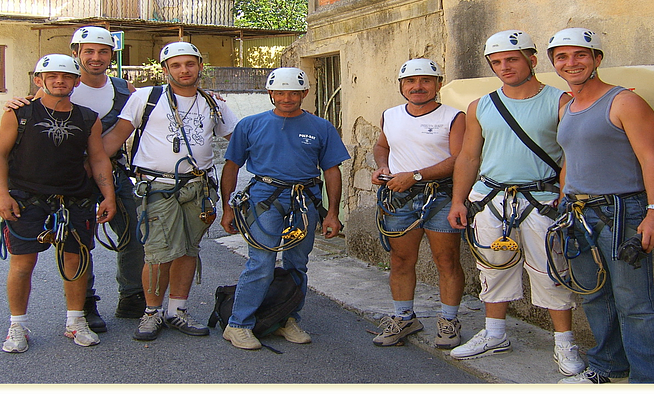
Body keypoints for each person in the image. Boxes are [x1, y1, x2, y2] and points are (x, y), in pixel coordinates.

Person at [446, 30, 585, 377]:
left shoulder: (561, 102)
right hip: (490, 199)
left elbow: (572, 155)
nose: (504, 67)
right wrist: (458, 201)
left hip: (542, 200)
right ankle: (495, 334)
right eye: (497, 62)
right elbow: (467, 157)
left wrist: (565, 196)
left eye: (512, 59)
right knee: (493, 267)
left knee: (552, 271)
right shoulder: (481, 106)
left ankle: (564, 343)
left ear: (532, 60)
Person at [547, 27, 654, 384]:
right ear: (555, 64)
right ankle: (607, 367)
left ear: (597, 59)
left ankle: (651, 381)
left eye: (580, 55)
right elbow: (570, 156)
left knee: (635, 303)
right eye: (563, 57)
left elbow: (653, 160)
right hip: (578, 214)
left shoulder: (624, 102)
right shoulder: (568, 107)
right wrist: (564, 197)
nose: (572, 63)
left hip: (623, 213)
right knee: (594, 296)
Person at [4, 26, 146, 333]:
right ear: (76, 55)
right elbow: (30, 117)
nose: (96, 58)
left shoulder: (125, 90)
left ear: (112, 55)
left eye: (103, 51)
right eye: (89, 52)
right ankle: (86, 303)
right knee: (78, 242)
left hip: (112, 171)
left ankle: (132, 294)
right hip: (68, 180)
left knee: (133, 232)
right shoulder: (59, 83)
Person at [102, 41, 238, 341]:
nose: (184, 70)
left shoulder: (214, 103)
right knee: (158, 254)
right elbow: (114, 139)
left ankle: (177, 310)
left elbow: (238, 141)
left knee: (188, 250)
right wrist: (88, 173)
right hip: (157, 187)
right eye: (175, 65)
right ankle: (152, 312)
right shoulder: (145, 98)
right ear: (164, 70)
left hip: (198, 188)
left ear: (200, 66)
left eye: (190, 63)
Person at [0, 54, 116, 353]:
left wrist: (108, 195)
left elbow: (98, 158)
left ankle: (75, 321)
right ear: (39, 80)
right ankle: (17, 325)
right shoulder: (19, 113)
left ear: (76, 81)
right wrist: (1, 194)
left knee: (75, 260)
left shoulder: (88, 118)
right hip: (26, 199)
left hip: (74, 198)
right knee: (22, 264)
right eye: (53, 76)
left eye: (67, 76)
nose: (60, 81)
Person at [219, 67, 350, 350]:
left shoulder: (321, 127)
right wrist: (227, 209)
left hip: (304, 198)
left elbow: (332, 170)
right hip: (264, 196)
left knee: (297, 264)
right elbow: (231, 167)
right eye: (280, 92)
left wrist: (332, 213)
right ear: (270, 93)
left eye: (293, 92)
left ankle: (286, 318)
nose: (286, 98)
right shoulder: (250, 125)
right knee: (261, 262)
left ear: (304, 93)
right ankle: (238, 324)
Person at [370, 58, 466, 349]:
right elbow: (381, 145)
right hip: (399, 197)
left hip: (440, 196)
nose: (417, 87)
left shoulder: (454, 116)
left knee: (446, 260)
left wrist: (415, 175)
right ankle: (404, 317)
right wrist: (382, 167)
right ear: (401, 86)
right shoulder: (391, 115)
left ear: (438, 84)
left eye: (425, 80)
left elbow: (457, 160)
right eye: (410, 81)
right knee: (400, 260)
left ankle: (449, 320)